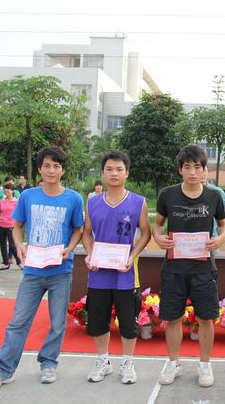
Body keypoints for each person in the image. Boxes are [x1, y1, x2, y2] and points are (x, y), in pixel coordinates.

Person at [0, 146, 84, 391]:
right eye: (47, 165)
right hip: (33, 271)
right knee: (18, 321)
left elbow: (78, 229)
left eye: (56, 166)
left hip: (60, 271)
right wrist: (18, 246)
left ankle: (48, 363)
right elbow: (17, 226)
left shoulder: (73, 198)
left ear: (63, 170)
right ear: (39, 169)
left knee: (57, 323)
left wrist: (70, 248)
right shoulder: (28, 196)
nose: (51, 170)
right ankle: (2, 370)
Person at [153, 145, 225, 388]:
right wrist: (158, 237)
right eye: (187, 167)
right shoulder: (167, 195)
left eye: (197, 167)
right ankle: (173, 363)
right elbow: (158, 224)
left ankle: (205, 364)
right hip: (174, 268)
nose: (193, 172)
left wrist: (220, 239)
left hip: (204, 268)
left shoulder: (214, 196)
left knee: (206, 318)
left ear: (205, 170)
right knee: (172, 318)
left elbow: (223, 225)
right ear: (180, 170)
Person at [83, 150, 151, 385]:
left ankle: (127, 362)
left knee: (128, 322)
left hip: (126, 274)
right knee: (98, 321)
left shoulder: (138, 202)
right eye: (109, 169)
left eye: (119, 169)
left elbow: (146, 234)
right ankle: (103, 361)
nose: (114, 173)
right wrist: (90, 253)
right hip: (98, 273)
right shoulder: (92, 202)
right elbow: (86, 233)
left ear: (127, 173)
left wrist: (132, 255)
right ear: (103, 173)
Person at [0, 183, 21, 270]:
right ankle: (5, 263)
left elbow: (19, 213)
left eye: (8, 189)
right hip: (1, 225)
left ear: (12, 191)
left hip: (11, 225)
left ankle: (19, 262)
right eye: (5, 189)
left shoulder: (16, 202)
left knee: (12, 245)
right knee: (2, 245)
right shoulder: (1, 201)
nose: (6, 190)